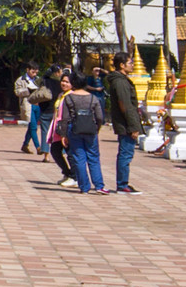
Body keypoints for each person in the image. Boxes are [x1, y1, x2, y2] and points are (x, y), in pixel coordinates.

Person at [61, 71, 107, 195]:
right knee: (93, 157)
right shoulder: (93, 98)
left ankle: (84, 187)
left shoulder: (69, 98)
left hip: (74, 129)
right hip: (90, 129)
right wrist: (97, 128)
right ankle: (99, 185)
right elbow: (100, 117)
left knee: (79, 158)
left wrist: (64, 134)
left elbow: (64, 118)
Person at [107, 52, 144, 195]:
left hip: (125, 123)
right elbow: (125, 105)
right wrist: (133, 126)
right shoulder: (120, 82)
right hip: (125, 124)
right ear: (122, 65)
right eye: (130, 63)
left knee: (126, 153)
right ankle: (122, 184)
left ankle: (123, 183)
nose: (133, 65)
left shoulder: (121, 80)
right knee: (125, 154)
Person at [44, 81, 76, 188]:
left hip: (66, 128)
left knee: (70, 153)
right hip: (58, 128)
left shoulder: (71, 96)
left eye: (67, 82)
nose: (64, 84)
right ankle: (67, 173)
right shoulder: (61, 95)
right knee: (55, 151)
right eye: (63, 81)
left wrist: (65, 131)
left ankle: (74, 177)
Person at [37, 65, 63, 162]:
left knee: (45, 132)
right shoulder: (60, 83)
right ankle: (62, 153)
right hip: (56, 111)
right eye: (60, 72)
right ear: (56, 73)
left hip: (44, 110)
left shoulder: (44, 81)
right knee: (59, 133)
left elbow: (36, 84)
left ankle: (46, 156)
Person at [16, 62, 43, 154]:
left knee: (32, 127)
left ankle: (25, 145)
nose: (34, 74)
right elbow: (17, 92)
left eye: (36, 72)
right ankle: (38, 147)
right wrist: (28, 90)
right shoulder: (21, 80)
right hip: (28, 105)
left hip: (38, 105)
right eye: (33, 72)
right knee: (33, 126)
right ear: (27, 70)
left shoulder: (39, 80)